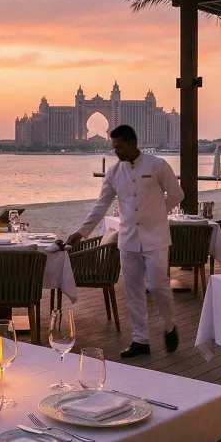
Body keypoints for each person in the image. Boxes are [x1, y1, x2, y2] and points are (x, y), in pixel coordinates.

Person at [65, 125, 183, 358]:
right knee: (132, 290)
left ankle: (170, 325)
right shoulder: (113, 172)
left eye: (119, 147)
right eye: (114, 147)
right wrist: (82, 232)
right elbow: (101, 205)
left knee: (158, 286)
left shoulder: (157, 165)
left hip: (156, 238)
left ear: (132, 143)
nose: (116, 151)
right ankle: (141, 339)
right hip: (128, 239)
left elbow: (177, 195)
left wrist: (159, 214)